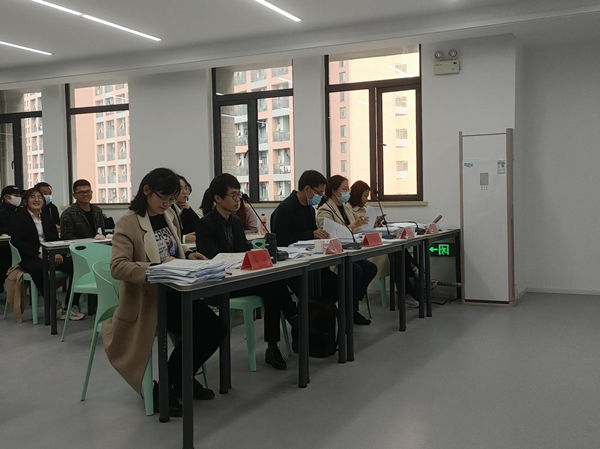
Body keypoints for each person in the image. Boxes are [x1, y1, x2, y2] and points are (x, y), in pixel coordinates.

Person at [102, 168, 225, 417]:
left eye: (171, 199)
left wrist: (189, 254)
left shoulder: (168, 215)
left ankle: (177, 379)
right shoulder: (129, 221)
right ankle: (167, 385)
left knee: (216, 329)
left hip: (176, 291)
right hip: (148, 299)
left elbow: (173, 249)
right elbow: (117, 266)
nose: (167, 204)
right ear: (146, 191)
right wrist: (155, 268)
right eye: (163, 198)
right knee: (200, 329)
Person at [196, 174, 298, 370]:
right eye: (233, 195)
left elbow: (244, 249)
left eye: (239, 195)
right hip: (220, 283)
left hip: (241, 278)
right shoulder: (205, 224)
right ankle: (293, 323)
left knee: (275, 283)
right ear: (218, 198)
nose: (238, 200)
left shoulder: (235, 222)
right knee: (274, 288)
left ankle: (274, 345)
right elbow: (212, 258)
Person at [10, 188, 84, 321]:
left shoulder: (47, 218)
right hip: (30, 256)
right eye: (33, 197)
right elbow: (18, 241)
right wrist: (38, 254)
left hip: (51, 253)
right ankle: (53, 303)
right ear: (25, 201)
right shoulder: (18, 218)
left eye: (39, 197)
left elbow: (55, 239)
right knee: (39, 268)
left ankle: (70, 306)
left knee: (78, 266)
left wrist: (58, 253)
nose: (37, 200)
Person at [316, 175, 377, 324]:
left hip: (350, 250)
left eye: (348, 189)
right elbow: (330, 235)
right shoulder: (325, 210)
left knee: (370, 268)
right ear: (334, 191)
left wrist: (360, 226)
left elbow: (353, 231)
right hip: (334, 255)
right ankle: (350, 310)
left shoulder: (344, 208)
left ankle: (351, 303)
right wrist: (353, 225)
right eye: (344, 189)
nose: (347, 192)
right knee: (356, 271)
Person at [349, 180, 420, 308]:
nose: (366, 199)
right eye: (365, 195)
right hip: (365, 249)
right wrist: (362, 226)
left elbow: (367, 228)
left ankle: (412, 280)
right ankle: (412, 279)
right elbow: (354, 230)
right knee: (395, 255)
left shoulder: (365, 209)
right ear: (357, 194)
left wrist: (376, 223)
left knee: (399, 249)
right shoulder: (349, 210)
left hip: (374, 242)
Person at [271, 170, 330, 248]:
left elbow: (313, 233)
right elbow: (280, 240)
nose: (320, 196)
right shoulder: (285, 208)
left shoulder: (310, 209)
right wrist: (311, 234)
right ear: (307, 189)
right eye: (319, 193)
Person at [0, 185, 23, 286]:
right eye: (16, 196)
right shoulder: (1, 211)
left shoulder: (22, 211)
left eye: (19, 196)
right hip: (4, 245)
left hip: (20, 244)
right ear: (7, 197)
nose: (19, 198)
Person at [171, 175, 200, 243]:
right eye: (180, 189)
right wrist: (184, 238)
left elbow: (199, 227)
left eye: (186, 188)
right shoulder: (168, 210)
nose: (185, 192)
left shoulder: (186, 210)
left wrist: (190, 211)